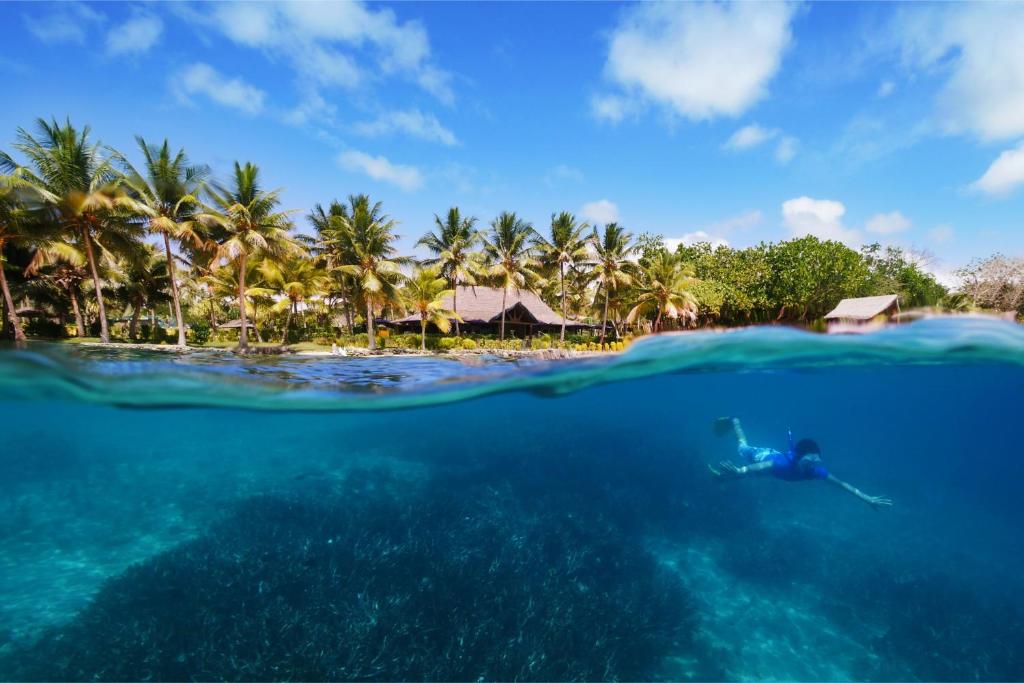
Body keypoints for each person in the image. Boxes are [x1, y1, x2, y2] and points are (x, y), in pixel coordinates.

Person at [709, 417, 893, 509]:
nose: (813, 465)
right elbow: (760, 466)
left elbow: (842, 485)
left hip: (773, 469)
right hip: (762, 457)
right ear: (799, 458)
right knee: (742, 447)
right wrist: (740, 470)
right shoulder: (780, 463)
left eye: (816, 461)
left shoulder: (813, 471)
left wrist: (867, 498)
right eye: (810, 461)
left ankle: (727, 478)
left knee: (751, 476)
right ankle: (735, 422)